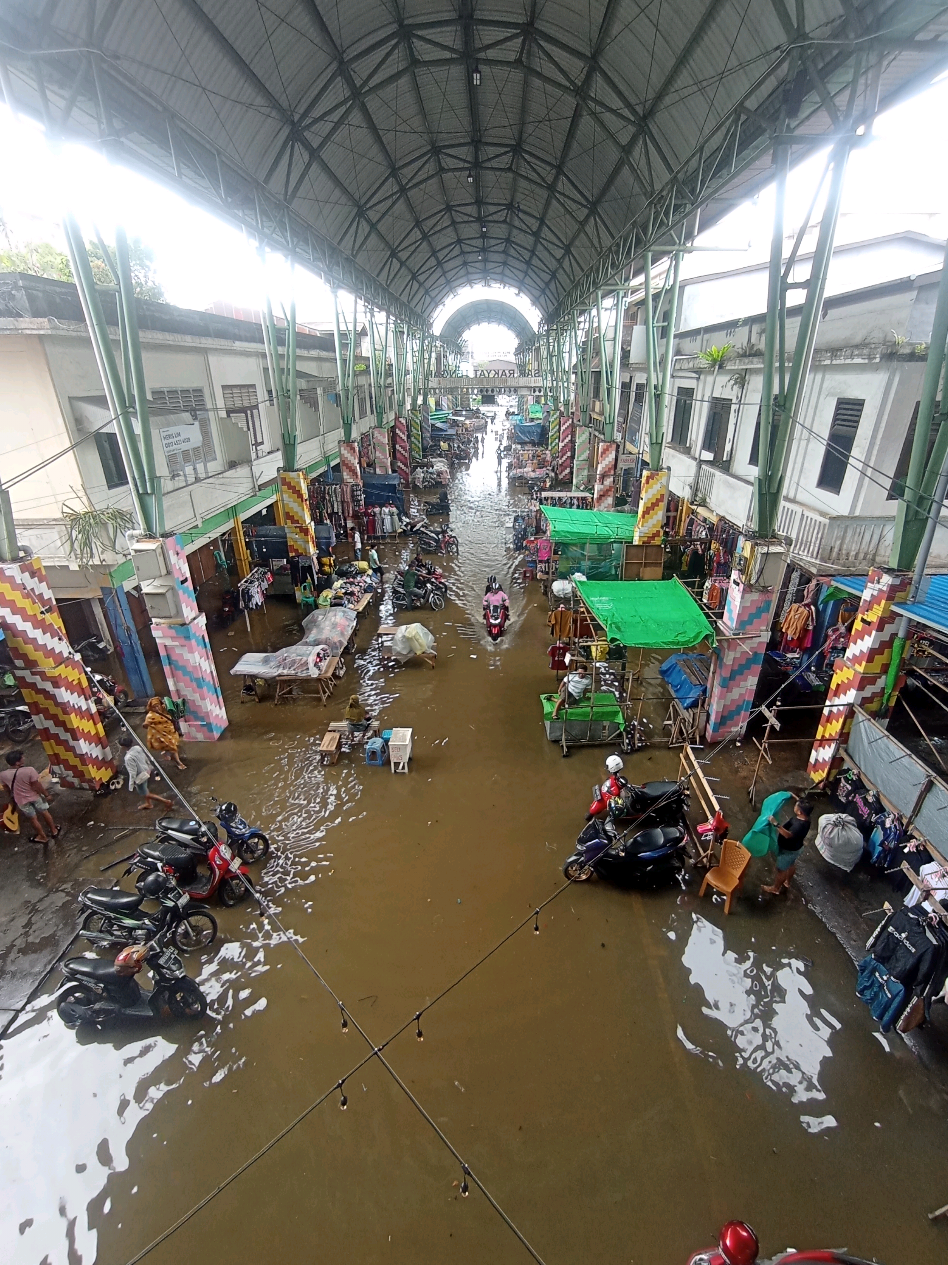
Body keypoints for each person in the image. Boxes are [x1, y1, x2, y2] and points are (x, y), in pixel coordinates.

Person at [1, 750, 59, 843]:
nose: (24, 758)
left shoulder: (3, 775)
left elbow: (7, 789)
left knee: (33, 818)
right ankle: (54, 831)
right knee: (45, 812)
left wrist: (12, 798)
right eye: (22, 758)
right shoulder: (29, 770)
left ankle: (42, 837)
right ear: (17, 762)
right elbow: (37, 785)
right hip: (35, 797)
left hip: (21, 801)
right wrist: (46, 795)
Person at [761, 799, 813, 895]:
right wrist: (790, 795)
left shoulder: (798, 825)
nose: (794, 806)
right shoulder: (806, 819)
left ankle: (776, 888)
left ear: (800, 811)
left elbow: (787, 835)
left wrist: (775, 823)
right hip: (796, 848)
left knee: (781, 870)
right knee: (791, 864)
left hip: (788, 851)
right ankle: (787, 881)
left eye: (796, 806)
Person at [120, 735, 173, 812]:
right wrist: (149, 766)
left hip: (140, 776)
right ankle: (149, 803)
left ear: (123, 747)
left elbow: (132, 772)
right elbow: (145, 758)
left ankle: (167, 802)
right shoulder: (137, 748)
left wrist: (131, 786)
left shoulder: (128, 758)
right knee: (145, 790)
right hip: (146, 770)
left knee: (146, 793)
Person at [143, 696, 187, 771]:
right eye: (154, 707)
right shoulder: (150, 716)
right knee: (173, 748)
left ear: (161, 705)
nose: (156, 708)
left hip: (171, 732)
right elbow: (145, 725)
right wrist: (147, 725)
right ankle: (178, 763)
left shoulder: (166, 709)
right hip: (162, 736)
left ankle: (166, 752)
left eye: (157, 706)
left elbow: (175, 713)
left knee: (172, 745)